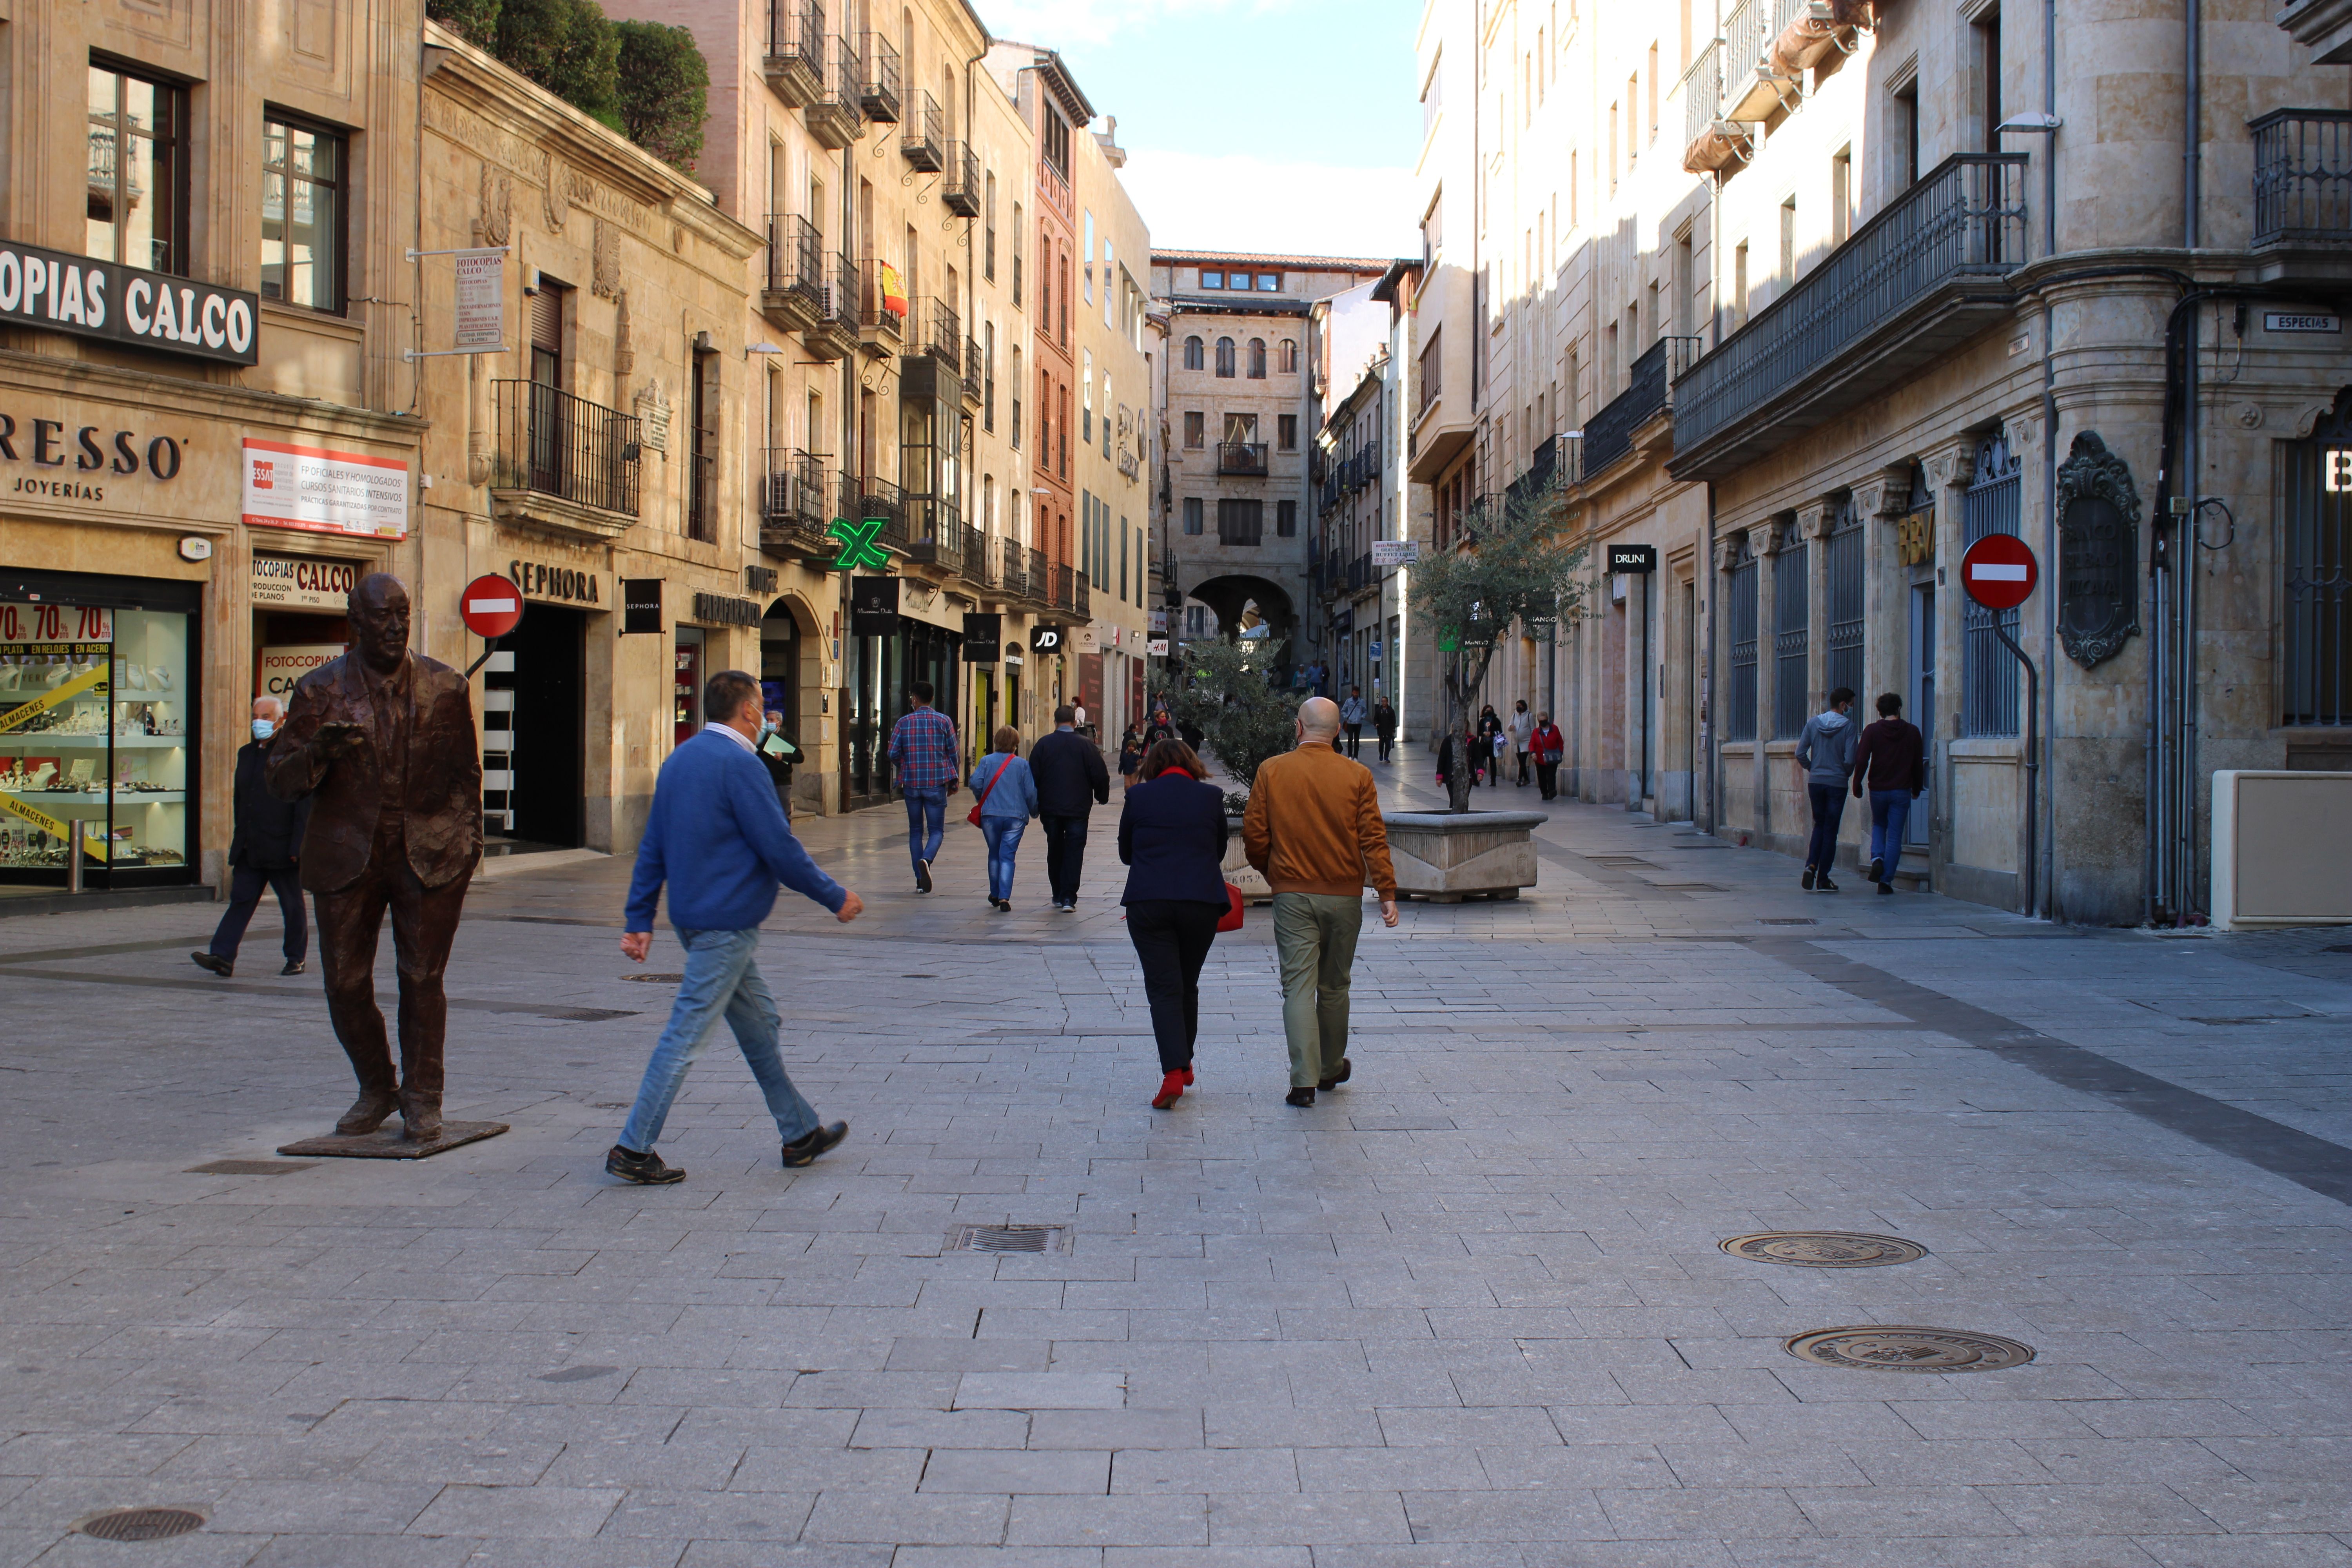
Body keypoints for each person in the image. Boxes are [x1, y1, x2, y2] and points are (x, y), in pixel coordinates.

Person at [611, 670, 865, 1185]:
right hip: (726, 924)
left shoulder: (680, 759)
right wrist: (834, 895)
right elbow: (779, 848)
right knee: (685, 1036)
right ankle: (633, 1148)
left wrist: (641, 919)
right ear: (750, 711)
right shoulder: (742, 765)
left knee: (760, 1023)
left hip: (695, 919)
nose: (763, 717)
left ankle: (799, 1134)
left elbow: (653, 847)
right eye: (760, 708)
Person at [266, 574, 483, 1142]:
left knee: (421, 977)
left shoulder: (447, 686)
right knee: (343, 982)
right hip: (347, 854)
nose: (394, 627)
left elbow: (466, 778)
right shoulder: (319, 690)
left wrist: (466, 847)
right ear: (354, 624)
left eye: (402, 615)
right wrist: (318, 752)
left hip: (430, 851)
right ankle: (377, 1087)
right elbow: (281, 783)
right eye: (382, 617)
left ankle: (423, 1097)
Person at [1244, 697, 1400, 1106]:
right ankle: (1331, 1067)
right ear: (1336, 732)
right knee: (1335, 985)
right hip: (1344, 897)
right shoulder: (1357, 775)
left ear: (1298, 728)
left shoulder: (1272, 771)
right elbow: (1373, 838)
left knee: (1297, 985)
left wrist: (1275, 874)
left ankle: (1303, 1081)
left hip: (1292, 893)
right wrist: (1386, 892)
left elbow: (1255, 836)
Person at [1118, 737, 1229, 1110]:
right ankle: (1184, 1063)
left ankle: (1173, 1072)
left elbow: (1125, 853)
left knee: (1164, 988)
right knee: (1188, 983)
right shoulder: (1211, 797)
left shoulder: (1139, 797)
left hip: (1149, 902)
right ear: (1192, 763)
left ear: (1153, 765)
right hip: (1200, 902)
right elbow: (1219, 851)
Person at [192, 696, 312, 979]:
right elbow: (240, 799)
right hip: (251, 844)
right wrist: (239, 839)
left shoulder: (293, 753)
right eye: (256, 716)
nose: (260, 722)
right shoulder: (246, 753)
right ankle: (222, 955)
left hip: (282, 845)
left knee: (292, 904)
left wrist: (298, 844)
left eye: (267, 717)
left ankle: (296, 957)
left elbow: (303, 802)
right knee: (241, 900)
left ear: (281, 720)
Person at [1029, 704, 1110, 911]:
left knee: (1054, 847)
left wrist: (1034, 804)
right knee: (1074, 850)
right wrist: (1102, 796)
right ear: (1075, 723)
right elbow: (1100, 774)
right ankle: (1068, 897)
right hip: (1078, 808)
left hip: (1051, 807)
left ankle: (1057, 892)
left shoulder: (1043, 745)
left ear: (1055, 722)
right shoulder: (1087, 746)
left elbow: (1032, 777)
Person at [886, 680, 959, 894]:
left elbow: (892, 752)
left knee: (915, 831)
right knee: (936, 831)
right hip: (936, 783)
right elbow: (954, 754)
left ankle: (919, 881)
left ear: (914, 699)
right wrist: (954, 781)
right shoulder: (944, 721)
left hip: (911, 784)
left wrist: (906, 765)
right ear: (933, 698)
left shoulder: (904, 722)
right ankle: (927, 859)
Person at [1851, 692, 1926, 894]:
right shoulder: (1912, 732)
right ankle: (1885, 882)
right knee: (1894, 835)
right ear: (1899, 709)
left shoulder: (1872, 731)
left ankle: (1877, 859)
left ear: (1879, 711)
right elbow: (1918, 764)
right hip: (1901, 790)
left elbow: (1862, 759)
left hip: (1878, 789)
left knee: (1879, 824)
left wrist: (1857, 784)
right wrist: (1918, 789)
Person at [1794, 686, 1859, 892]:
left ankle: (1811, 865)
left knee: (1819, 826)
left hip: (1816, 782)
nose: (1851, 709)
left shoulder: (1814, 723)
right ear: (1843, 705)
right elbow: (1850, 760)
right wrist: (1844, 773)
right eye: (1851, 705)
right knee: (1831, 830)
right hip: (1837, 784)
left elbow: (1800, 752)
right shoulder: (1849, 728)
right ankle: (1823, 877)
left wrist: (1813, 768)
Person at [971, 725, 1039, 911]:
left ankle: (995, 892)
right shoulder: (1023, 765)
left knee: (994, 853)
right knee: (1007, 856)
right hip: (1015, 817)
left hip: (991, 815)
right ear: (1015, 745)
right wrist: (1034, 811)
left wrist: (981, 798)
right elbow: (1031, 792)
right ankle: (1004, 898)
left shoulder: (986, 761)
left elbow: (975, 782)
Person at [755, 710, 799, 820]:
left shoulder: (788, 738)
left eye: (772, 720)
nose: (769, 723)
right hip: (765, 781)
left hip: (782, 782)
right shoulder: (762, 739)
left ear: (779, 722)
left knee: (783, 814)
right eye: (767, 720)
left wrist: (783, 756)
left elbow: (800, 757)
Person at [1529, 710, 1566, 800]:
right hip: (1540, 758)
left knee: (1551, 775)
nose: (1543, 722)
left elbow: (1560, 742)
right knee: (1541, 776)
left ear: (1548, 720)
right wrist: (1533, 753)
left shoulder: (1555, 729)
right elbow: (1532, 743)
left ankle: (1552, 791)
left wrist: (1560, 752)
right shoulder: (1536, 732)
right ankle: (1544, 793)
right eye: (1541, 721)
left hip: (1553, 757)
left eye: (1545, 720)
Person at [1478, 704, 1506, 789]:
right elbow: (1479, 731)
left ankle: (1493, 781)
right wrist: (1484, 733)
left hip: (1492, 744)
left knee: (1493, 763)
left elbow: (1500, 731)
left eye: (1490, 711)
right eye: (1487, 711)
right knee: (1481, 762)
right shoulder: (1482, 721)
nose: (1488, 712)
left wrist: (1492, 733)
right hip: (1484, 744)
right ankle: (1478, 778)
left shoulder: (1496, 721)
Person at [1508, 699, 1535, 786]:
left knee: (1523, 761)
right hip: (1516, 742)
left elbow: (1533, 729)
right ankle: (1526, 779)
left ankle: (1519, 779)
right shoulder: (1514, 716)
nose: (1518, 707)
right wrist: (1511, 727)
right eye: (1517, 705)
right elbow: (1509, 727)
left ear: (1524, 706)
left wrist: (1533, 741)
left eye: (1520, 705)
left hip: (1526, 741)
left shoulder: (1529, 716)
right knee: (1521, 762)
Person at [1339, 686, 1368, 759]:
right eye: (1354, 693)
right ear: (1352, 693)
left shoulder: (1361, 702)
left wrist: (1362, 717)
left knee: (1357, 740)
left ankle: (1356, 757)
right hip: (1350, 723)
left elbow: (1365, 711)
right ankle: (1350, 755)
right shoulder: (1348, 701)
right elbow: (1343, 711)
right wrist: (1346, 717)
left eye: (1357, 693)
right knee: (1350, 739)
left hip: (1358, 723)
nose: (1356, 694)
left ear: (1358, 693)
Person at [1117, 723, 1145, 789]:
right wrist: (1145, 745)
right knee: (1127, 785)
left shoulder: (1128, 735)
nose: (1138, 731)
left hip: (1133, 771)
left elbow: (1138, 762)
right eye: (1137, 729)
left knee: (1133, 784)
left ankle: (1132, 793)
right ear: (1133, 729)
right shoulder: (1131, 736)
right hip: (1127, 771)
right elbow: (1137, 745)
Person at [1372, 696, 1397, 762]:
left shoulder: (1391, 711)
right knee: (1381, 744)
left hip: (1389, 730)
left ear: (1387, 702)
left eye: (1385, 701)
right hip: (1381, 730)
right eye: (1382, 701)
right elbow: (1375, 719)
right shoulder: (1379, 710)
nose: (1384, 703)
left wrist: (1393, 729)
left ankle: (1386, 757)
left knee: (1388, 744)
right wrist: (1376, 724)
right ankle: (1381, 754)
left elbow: (1394, 721)